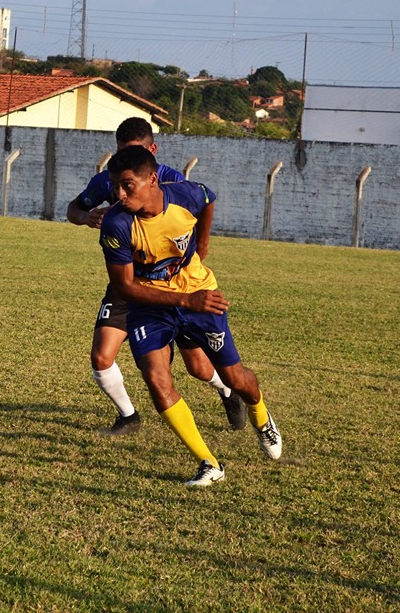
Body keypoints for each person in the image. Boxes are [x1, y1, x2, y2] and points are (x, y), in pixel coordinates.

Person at [100, 145, 282, 486]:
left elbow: (208, 198)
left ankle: (261, 416)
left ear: (152, 180)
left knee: (234, 377)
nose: (119, 194)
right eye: (116, 186)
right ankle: (209, 463)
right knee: (157, 379)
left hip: (201, 294)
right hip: (150, 305)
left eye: (127, 185)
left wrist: (203, 243)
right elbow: (124, 287)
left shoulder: (184, 195)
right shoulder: (116, 223)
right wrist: (185, 300)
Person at [67, 117, 245, 436]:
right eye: (121, 152)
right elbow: (73, 209)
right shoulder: (108, 181)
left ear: (152, 152)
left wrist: (201, 245)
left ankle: (228, 390)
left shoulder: (172, 182)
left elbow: (204, 201)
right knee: (101, 355)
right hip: (128, 283)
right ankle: (128, 417)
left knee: (198, 367)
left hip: (173, 284)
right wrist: (86, 216)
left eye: (134, 152)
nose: (125, 164)